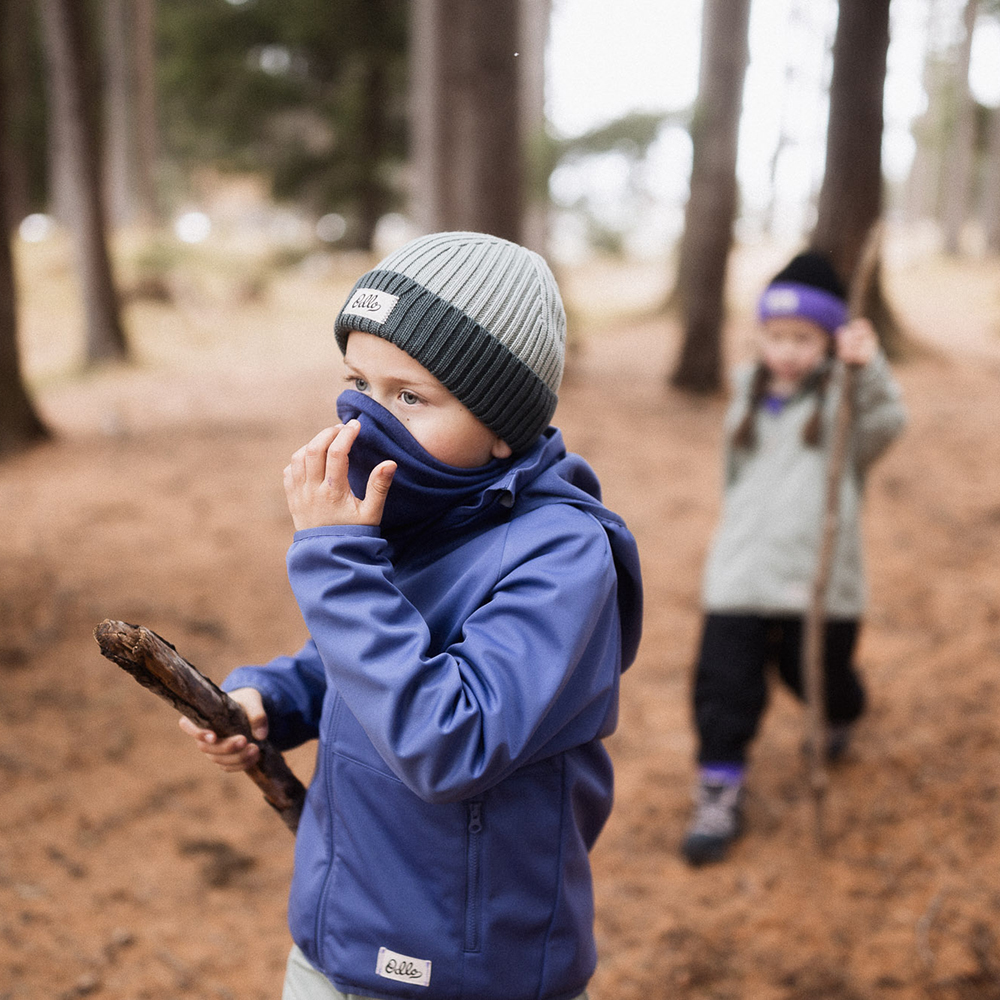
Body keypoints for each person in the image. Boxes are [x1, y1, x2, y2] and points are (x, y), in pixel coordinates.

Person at [179, 232, 643, 1000]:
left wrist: (336, 561)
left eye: (410, 397)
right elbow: (361, 662)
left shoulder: (564, 558)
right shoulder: (421, 507)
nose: (366, 419)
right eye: (358, 381)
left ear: (502, 425)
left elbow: (451, 742)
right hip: (334, 944)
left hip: (469, 973)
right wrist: (273, 699)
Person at [681, 250, 905, 867]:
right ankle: (719, 790)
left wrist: (869, 368)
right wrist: (731, 545)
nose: (787, 351)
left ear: (829, 340)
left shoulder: (844, 399)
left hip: (817, 582)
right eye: (776, 336)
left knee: (817, 678)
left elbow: (888, 422)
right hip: (741, 578)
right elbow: (734, 480)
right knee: (723, 687)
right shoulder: (748, 394)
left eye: (803, 339)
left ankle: (842, 712)